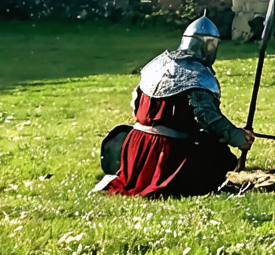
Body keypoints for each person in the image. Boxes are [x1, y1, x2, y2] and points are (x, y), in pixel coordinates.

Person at [103, 14, 254, 197]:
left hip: (136, 148)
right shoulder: (197, 74)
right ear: (208, 45)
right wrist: (236, 136)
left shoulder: (157, 64)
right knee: (222, 158)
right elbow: (207, 117)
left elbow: (136, 104)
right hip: (167, 153)